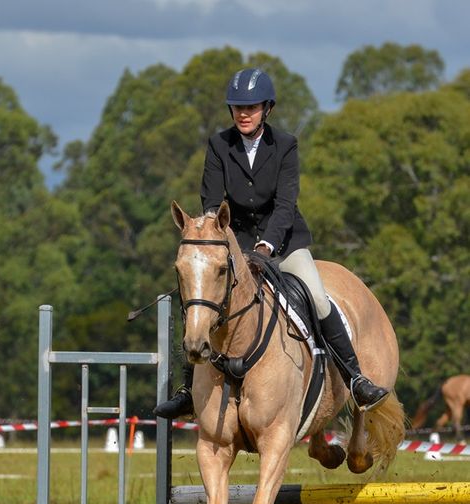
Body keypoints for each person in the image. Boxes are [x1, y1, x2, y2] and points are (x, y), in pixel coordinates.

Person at [154, 68, 389, 418]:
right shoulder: (219, 145)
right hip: (234, 244)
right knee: (203, 297)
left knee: (316, 296)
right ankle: (190, 388)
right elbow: (212, 202)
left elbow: (285, 205)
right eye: (237, 107)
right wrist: (220, 242)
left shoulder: (285, 145)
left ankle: (355, 378)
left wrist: (266, 247)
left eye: (251, 107)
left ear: (268, 109)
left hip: (285, 242)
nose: (243, 114)